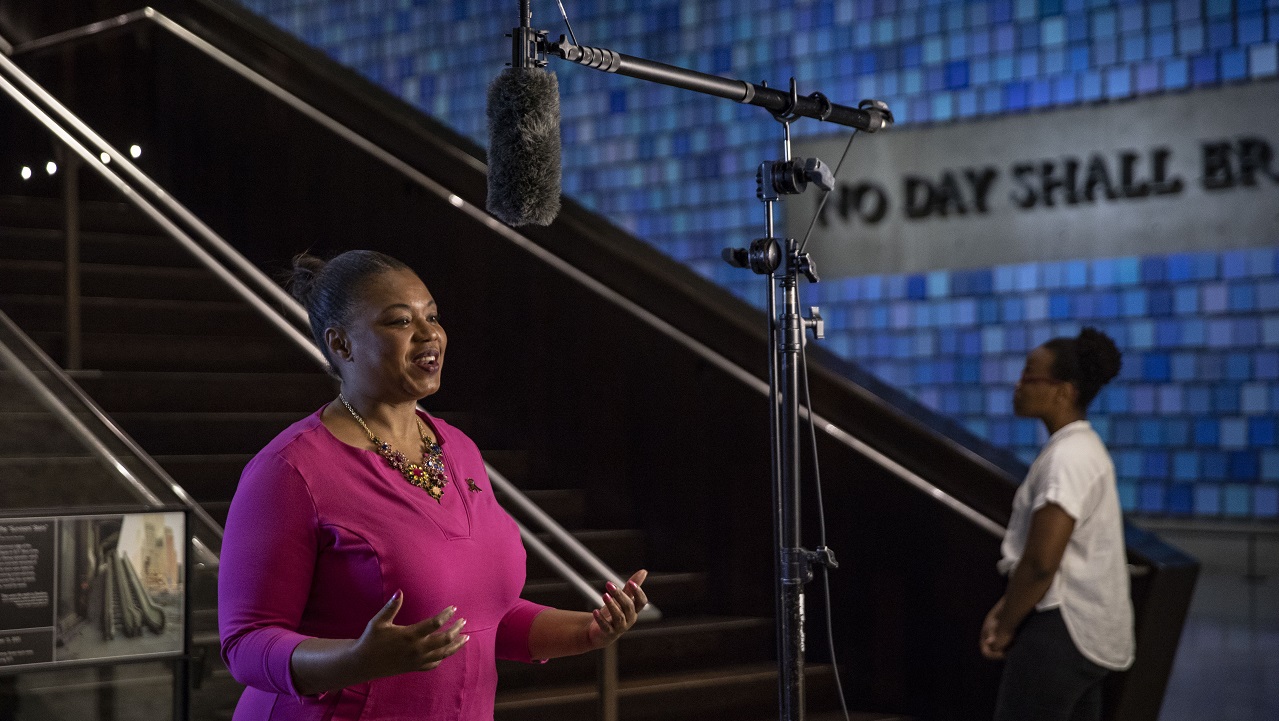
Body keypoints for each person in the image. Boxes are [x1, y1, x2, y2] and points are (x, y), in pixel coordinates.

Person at [219, 250, 648, 720]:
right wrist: (356, 661)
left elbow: (479, 618)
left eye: (433, 316)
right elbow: (247, 643)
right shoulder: (289, 470)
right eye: (400, 321)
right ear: (341, 345)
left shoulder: (459, 449)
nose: (429, 335)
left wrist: (588, 630)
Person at [980, 327, 1134, 721]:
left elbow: (1042, 561)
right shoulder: (1083, 448)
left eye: (1029, 376)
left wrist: (1007, 625)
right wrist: (1005, 607)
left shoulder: (1067, 457)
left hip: (1060, 632)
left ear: (1065, 391)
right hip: (1087, 635)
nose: (1018, 385)